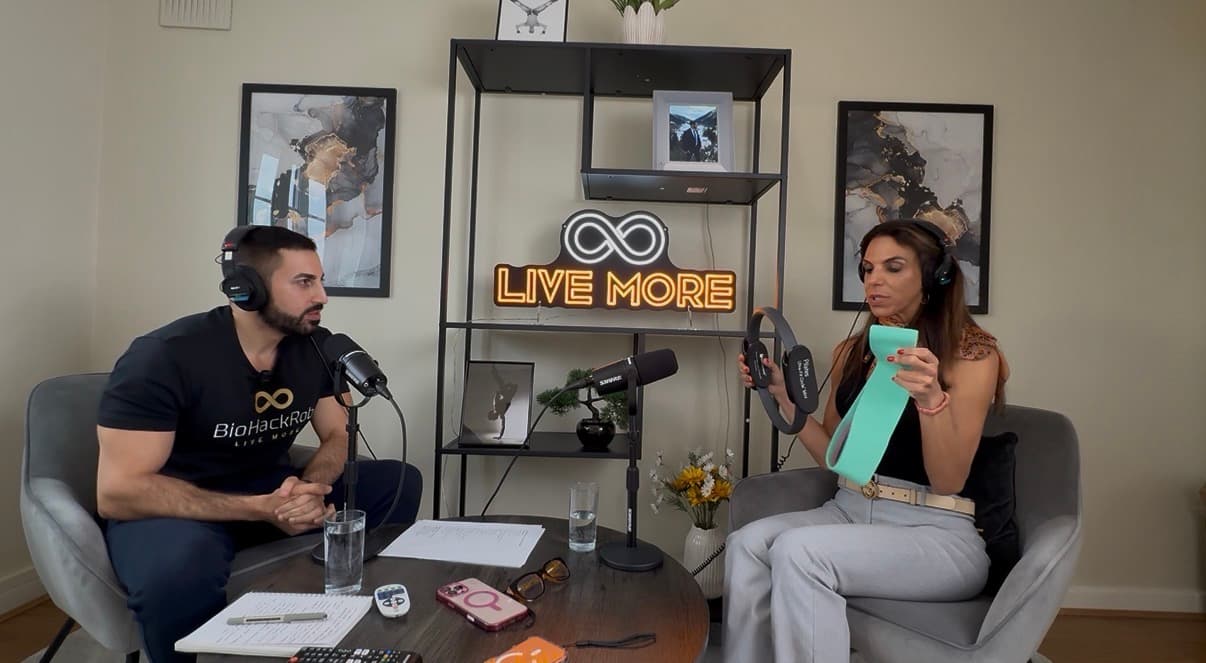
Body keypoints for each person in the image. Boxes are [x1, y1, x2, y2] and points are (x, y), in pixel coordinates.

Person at [97, 226, 422, 663]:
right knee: (177, 572)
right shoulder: (164, 356)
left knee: (399, 481)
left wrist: (311, 489)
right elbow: (119, 492)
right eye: (305, 282)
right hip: (179, 508)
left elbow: (337, 434)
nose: (323, 295)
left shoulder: (317, 349)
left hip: (275, 492)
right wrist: (262, 508)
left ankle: (335, 622)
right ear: (245, 289)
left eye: (321, 280)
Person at [726, 219, 1009, 663]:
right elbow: (836, 459)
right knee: (747, 544)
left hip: (935, 532)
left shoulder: (972, 354)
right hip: (849, 510)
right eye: (867, 269)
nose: (874, 280)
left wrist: (931, 399)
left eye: (893, 268)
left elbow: (949, 479)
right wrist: (784, 396)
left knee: (800, 552)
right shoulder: (852, 352)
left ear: (933, 276)